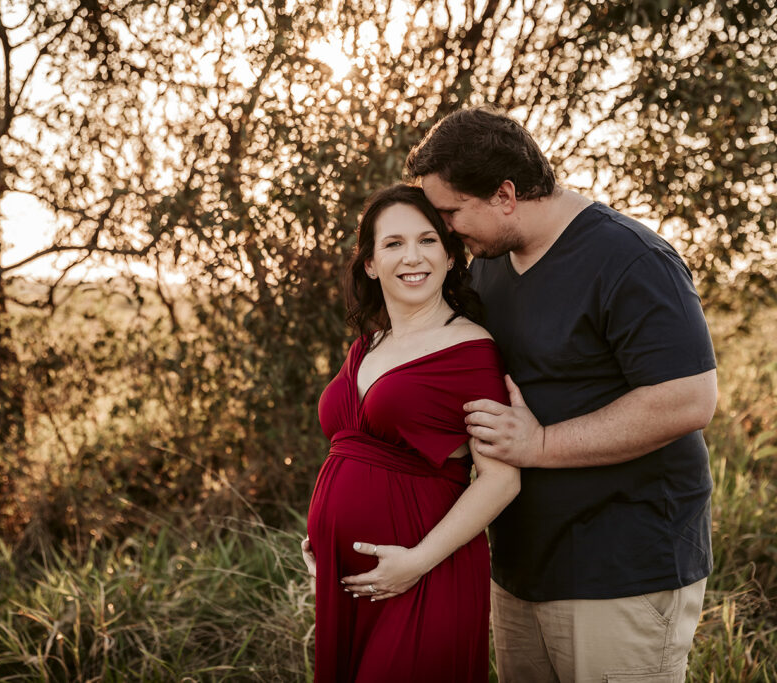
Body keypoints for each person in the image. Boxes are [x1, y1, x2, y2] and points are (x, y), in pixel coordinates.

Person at [404, 106, 719, 683]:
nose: (445, 228)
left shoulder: (630, 259)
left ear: (504, 194)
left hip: (623, 567)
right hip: (522, 565)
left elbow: (688, 399)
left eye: (450, 211)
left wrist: (540, 442)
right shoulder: (488, 268)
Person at [301, 183, 521, 682]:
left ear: (448, 256)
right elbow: (351, 452)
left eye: (427, 240)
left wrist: (417, 562)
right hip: (355, 582)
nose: (412, 256)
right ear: (371, 265)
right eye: (393, 244)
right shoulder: (368, 346)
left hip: (424, 573)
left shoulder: (469, 351)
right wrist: (323, 532)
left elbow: (501, 479)